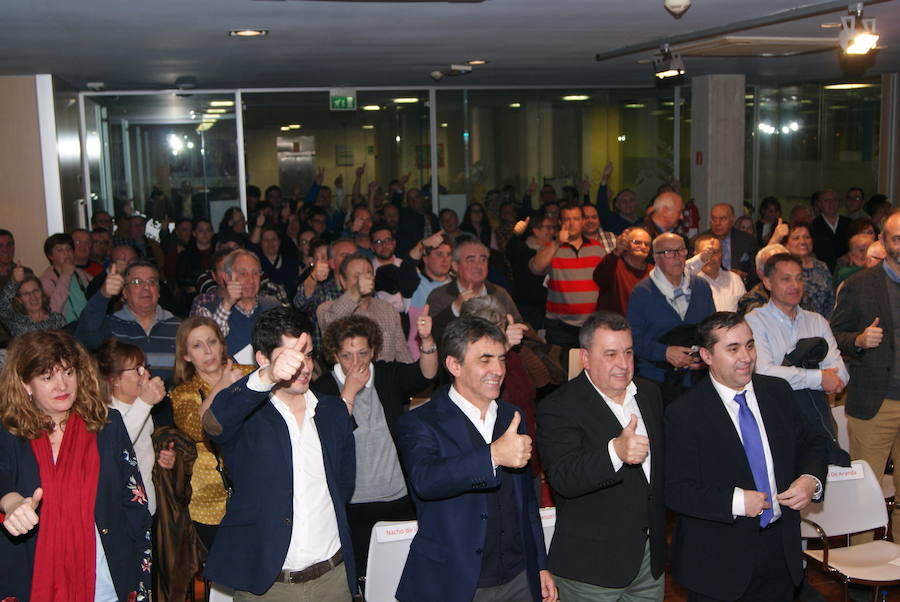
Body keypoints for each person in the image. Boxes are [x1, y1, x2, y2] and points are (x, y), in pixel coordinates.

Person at [665, 311, 828, 602]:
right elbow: (676, 490)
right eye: (733, 348)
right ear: (707, 355)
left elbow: (813, 441)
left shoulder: (777, 391)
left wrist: (809, 480)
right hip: (718, 564)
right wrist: (737, 501)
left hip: (780, 551)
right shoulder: (685, 413)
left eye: (750, 345)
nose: (746, 356)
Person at [395, 316, 558, 602]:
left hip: (520, 576)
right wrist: (493, 455)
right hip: (455, 582)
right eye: (485, 360)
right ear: (454, 365)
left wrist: (540, 565)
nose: (498, 370)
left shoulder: (511, 416)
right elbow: (426, 480)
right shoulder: (421, 422)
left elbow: (527, 503)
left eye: (502, 359)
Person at [201, 307, 358, 600]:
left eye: (308, 354)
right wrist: (268, 377)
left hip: (333, 578)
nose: (303, 366)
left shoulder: (333, 411)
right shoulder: (247, 415)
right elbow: (213, 424)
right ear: (263, 359)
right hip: (268, 585)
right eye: (291, 356)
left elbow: (344, 483)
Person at [0, 330, 152, 601]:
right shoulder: (10, 433)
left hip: (106, 583)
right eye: (48, 377)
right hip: (31, 582)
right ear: (25, 384)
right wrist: (11, 502)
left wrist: (141, 586)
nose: (62, 385)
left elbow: (136, 507)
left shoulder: (108, 425)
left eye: (68, 373)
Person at [537, 311, 665, 601]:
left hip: (648, 561)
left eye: (628, 352)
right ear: (585, 358)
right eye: (610, 354)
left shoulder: (648, 394)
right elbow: (564, 478)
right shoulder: (558, 406)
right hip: (590, 569)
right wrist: (615, 452)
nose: (623, 364)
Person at [314, 312, 437, 580]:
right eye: (347, 355)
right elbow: (328, 436)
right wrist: (349, 390)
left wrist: (426, 340)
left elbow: (426, 374)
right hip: (352, 504)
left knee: (405, 575)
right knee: (364, 577)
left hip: (397, 497)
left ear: (373, 351)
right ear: (334, 356)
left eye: (362, 353)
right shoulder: (322, 389)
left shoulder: (387, 376)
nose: (355, 362)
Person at [830, 209, 900, 542]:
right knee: (866, 493)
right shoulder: (859, 285)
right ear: (884, 242)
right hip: (876, 401)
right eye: (898, 238)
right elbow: (835, 335)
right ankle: (860, 577)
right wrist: (858, 340)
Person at [745, 253, 849, 463]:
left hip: (816, 420)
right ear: (767, 282)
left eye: (799, 278)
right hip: (774, 417)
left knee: (823, 483)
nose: (795, 285)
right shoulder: (755, 321)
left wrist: (798, 377)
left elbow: (841, 375)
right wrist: (818, 378)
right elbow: (765, 372)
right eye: (786, 279)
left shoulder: (817, 321)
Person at [169, 317, 255, 551]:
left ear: (222, 344)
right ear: (186, 355)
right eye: (197, 346)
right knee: (223, 580)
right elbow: (197, 428)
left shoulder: (249, 375)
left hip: (256, 489)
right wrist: (221, 386)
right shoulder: (182, 393)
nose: (208, 351)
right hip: (210, 501)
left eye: (212, 342)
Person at [628, 233, 715, 401]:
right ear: (655, 258)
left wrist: (704, 357)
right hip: (656, 380)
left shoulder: (701, 287)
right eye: (669, 252)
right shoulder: (642, 292)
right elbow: (632, 340)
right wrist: (665, 352)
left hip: (697, 378)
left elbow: (712, 332)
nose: (677, 257)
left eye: (681, 251)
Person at [96, 339, 171, 515]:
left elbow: (140, 448)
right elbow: (116, 447)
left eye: (145, 367)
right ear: (114, 379)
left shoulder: (140, 406)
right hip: (121, 512)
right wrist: (145, 403)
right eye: (138, 370)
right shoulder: (103, 414)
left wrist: (161, 456)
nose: (146, 375)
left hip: (146, 507)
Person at [76, 260, 182, 381]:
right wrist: (103, 295)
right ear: (124, 292)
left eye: (151, 282)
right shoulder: (111, 325)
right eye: (137, 282)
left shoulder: (178, 327)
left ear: (158, 291)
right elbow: (84, 340)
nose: (146, 287)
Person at [530, 202, 606, 354]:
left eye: (576, 219)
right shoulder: (551, 247)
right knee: (561, 373)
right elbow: (535, 268)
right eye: (567, 219)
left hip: (592, 324)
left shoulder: (597, 248)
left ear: (583, 222)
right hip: (560, 326)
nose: (571, 224)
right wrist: (558, 242)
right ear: (560, 222)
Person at [318, 253, 413, 363]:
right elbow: (330, 322)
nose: (364, 280)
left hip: (385, 377)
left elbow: (402, 353)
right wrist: (356, 291)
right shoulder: (326, 308)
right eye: (357, 276)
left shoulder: (387, 309)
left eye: (368, 274)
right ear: (342, 281)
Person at [427, 236, 522, 344]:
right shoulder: (439, 296)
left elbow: (519, 326)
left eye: (483, 260)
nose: (479, 266)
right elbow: (430, 337)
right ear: (455, 266)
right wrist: (454, 308)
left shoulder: (499, 293)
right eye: (471, 260)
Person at [192, 249, 281, 358]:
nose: (250, 280)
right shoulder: (207, 310)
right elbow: (207, 344)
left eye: (255, 273)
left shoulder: (273, 307)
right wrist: (227, 304)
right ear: (227, 278)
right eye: (243, 273)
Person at [506, 214, 553, 329]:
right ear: (536, 231)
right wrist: (516, 235)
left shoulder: (553, 250)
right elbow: (510, 251)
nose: (552, 231)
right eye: (548, 227)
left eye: (553, 227)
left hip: (549, 307)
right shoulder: (523, 249)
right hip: (527, 307)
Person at [593, 226, 652, 316]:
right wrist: (617, 251)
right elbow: (599, 277)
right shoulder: (613, 264)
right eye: (637, 242)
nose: (643, 246)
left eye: (647, 244)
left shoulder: (653, 271)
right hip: (613, 326)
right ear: (625, 244)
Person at [39, 232, 93, 323]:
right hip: (64, 331)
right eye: (60, 250)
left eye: (69, 249)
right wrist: (66, 276)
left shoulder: (82, 274)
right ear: (50, 256)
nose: (66, 253)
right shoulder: (46, 280)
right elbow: (53, 311)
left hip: (88, 325)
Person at [0, 263, 66, 336]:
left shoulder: (57, 319)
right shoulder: (17, 322)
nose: (33, 297)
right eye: (26, 294)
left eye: (35, 291)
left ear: (42, 292)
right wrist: (14, 282)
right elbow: (2, 307)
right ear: (19, 300)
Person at [785, 221, 834, 319]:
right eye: (796, 238)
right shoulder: (783, 269)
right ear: (786, 244)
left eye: (807, 237)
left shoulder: (822, 267)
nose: (803, 242)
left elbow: (831, 301)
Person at [702, 203, 758, 284]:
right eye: (714, 218)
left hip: (741, 287)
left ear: (732, 220)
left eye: (723, 219)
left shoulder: (747, 240)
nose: (717, 223)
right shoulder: (701, 241)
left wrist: (744, 276)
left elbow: (757, 271)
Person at [693, 234, 746, 312]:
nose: (710, 257)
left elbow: (745, 311)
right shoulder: (690, 282)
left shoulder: (735, 279)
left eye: (715, 252)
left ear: (722, 254)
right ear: (696, 255)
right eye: (706, 252)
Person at [811, 189, 851, 272]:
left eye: (834, 200)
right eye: (826, 200)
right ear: (819, 204)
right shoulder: (813, 225)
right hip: (823, 270)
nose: (831, 203)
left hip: (846, 269)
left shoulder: (848, 223)